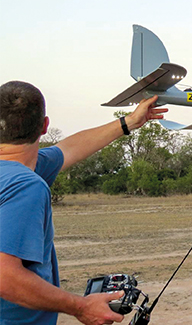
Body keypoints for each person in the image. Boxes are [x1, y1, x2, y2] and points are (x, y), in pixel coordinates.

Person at [0, 81, 167, 325]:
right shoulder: (26, 185)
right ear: (45, 125)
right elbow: (5, 276)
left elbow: (69, 149)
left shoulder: (25, 169)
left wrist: (129, 121)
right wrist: (81, 307)